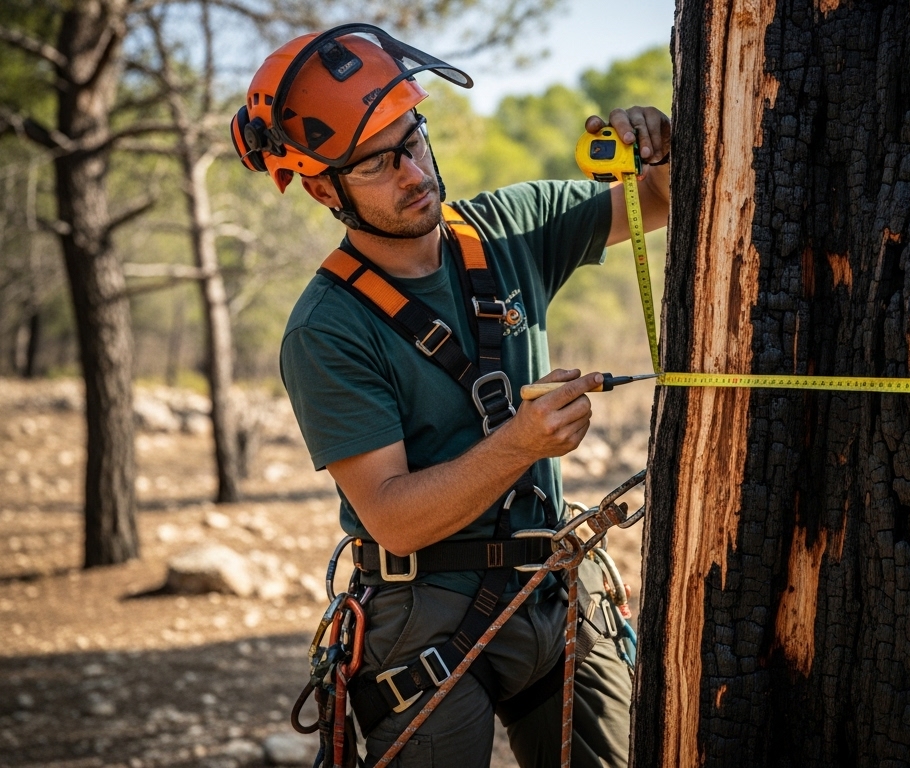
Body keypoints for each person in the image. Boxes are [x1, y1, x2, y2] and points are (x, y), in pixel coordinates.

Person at [229, 23, 669, 767]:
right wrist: (521, 445)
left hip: (553, 589)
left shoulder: (506, 230)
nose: (412, 172)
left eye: (413, 139)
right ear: (319, 187)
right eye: (376, 164)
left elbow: (659, 200)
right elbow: (394, 518)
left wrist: (664, 143)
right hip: (422, 622)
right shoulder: (327, 329)